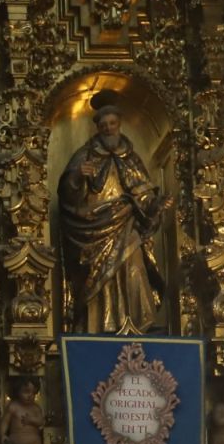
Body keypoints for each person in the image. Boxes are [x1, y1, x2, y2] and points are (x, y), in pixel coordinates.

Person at [56, 95, 165, 335]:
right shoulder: (84, 155)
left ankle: (138, 322)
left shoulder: (131, 157)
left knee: (135, 266)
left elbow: (143, 192)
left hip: (126, 222)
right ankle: (98, 326)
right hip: (94, 227)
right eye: (103, 125)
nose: (108, 129)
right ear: (98, 127)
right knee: (99, 278)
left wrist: (155, 204)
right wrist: (77, 177)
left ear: (119, 124)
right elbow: (67, 196)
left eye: (112, 124)